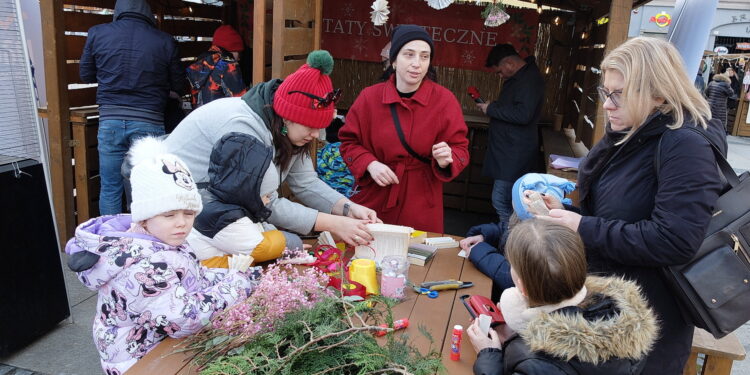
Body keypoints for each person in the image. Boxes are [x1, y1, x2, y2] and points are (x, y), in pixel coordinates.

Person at [535, 37, 726, 374]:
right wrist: (569, 216)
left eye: (618, 94)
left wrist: (582, 226)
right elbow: (615, 218)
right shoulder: (633, 136)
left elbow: (674, 240)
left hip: (646, 333)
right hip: (611, 313)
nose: (607, 104)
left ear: (659, 94)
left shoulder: (684, 145)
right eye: (606, 92)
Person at [65, 137, 258, 374]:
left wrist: (241, 274)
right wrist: (236, 283)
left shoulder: (160, 241)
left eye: (189, 213)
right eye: (169, 215)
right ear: (145, 217)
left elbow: (192, 277)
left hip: (156, 345)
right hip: (140, 361)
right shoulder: (144, 265)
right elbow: (184, 319)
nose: (182, 223)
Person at [164, 50, 379, 247]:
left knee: (289, 244)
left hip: (220, 209)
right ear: (288, 116)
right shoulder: (245, 133)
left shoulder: (287, 130)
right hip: (182, 211)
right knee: (289, 244)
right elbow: (263, 203)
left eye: (320, 128)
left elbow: (306, 182)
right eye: (311, 127)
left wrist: (348, 208)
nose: (316, 135)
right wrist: (333, 223)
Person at [467, 220, 658, 375]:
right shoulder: (625, 320)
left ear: (522, 288)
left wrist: (489, 356)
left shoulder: (537, 365)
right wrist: (513, 337)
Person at [339, 25, 469, 233]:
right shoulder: (369, 98)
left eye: (424, 57)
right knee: (367, 255)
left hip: (422, 198)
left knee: (418, 257)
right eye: (409, 55)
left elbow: (460, 148)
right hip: (376, 195)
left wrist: (447, 158)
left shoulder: (444, 100)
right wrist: (370, 164)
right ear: (394, 60)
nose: (417, 64)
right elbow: (348, 143)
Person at [80, 0, 186, 215]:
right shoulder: (164, 41)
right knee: (146, 188)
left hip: (110, 119)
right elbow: (179, 85)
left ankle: (111, 242)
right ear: (148, 13)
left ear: (118, 10)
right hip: (149, 120)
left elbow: (86, 75)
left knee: (110, 186)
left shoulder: (97, 33)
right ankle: (143, 242)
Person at [186, 132, 305, 267]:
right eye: (266, 195)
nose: (268, 201)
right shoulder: (226, 217)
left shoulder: (217, 200)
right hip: (208, 271)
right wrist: (293, 243)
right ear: (248, 193)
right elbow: (260, 248)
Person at [459, 173, 574, 302]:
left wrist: (479, 252)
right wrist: (485, 236)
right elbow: (506, 229)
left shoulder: (540, 244)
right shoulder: (524, 223)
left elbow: (512, 279)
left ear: (517, 204)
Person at [477, 44, 545, 223]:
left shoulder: (529, 80)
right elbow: (515, 108)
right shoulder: (522, 77)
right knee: (504, 202)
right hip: (509, 151)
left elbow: (523, 114)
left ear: (509, 63)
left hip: (515, 154)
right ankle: (507, 241)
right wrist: (495, 106)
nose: (500, 76)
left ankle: (510, 244)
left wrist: (491, 108)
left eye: (499, 72)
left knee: (502, 201)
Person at [187, 25, 248, 109]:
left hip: (201, 119)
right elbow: (241, 101)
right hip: (223, 119)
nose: (239, 57)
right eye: (239, 52)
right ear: (232, 50)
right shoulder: (229, 65)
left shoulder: (199, 63)